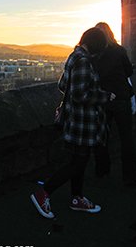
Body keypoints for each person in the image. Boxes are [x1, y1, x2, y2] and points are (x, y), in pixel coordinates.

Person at [30, 27, 116, 219]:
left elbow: (63, 85)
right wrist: (105, 96)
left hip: (74, 120)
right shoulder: (84, 61)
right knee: (77, 163)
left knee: (79, 161)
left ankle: (77, 198)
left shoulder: (73, 57)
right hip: (82, 122)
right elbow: (80, 95)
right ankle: (44, 193)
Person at [92, 22, 136, 186]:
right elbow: (129, 71)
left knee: (101, 137)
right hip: (121, 97)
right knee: (127, 138)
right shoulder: (119, 50)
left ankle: (102, 170)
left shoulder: (94, 54)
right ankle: (130, 175)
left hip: (103, 99)